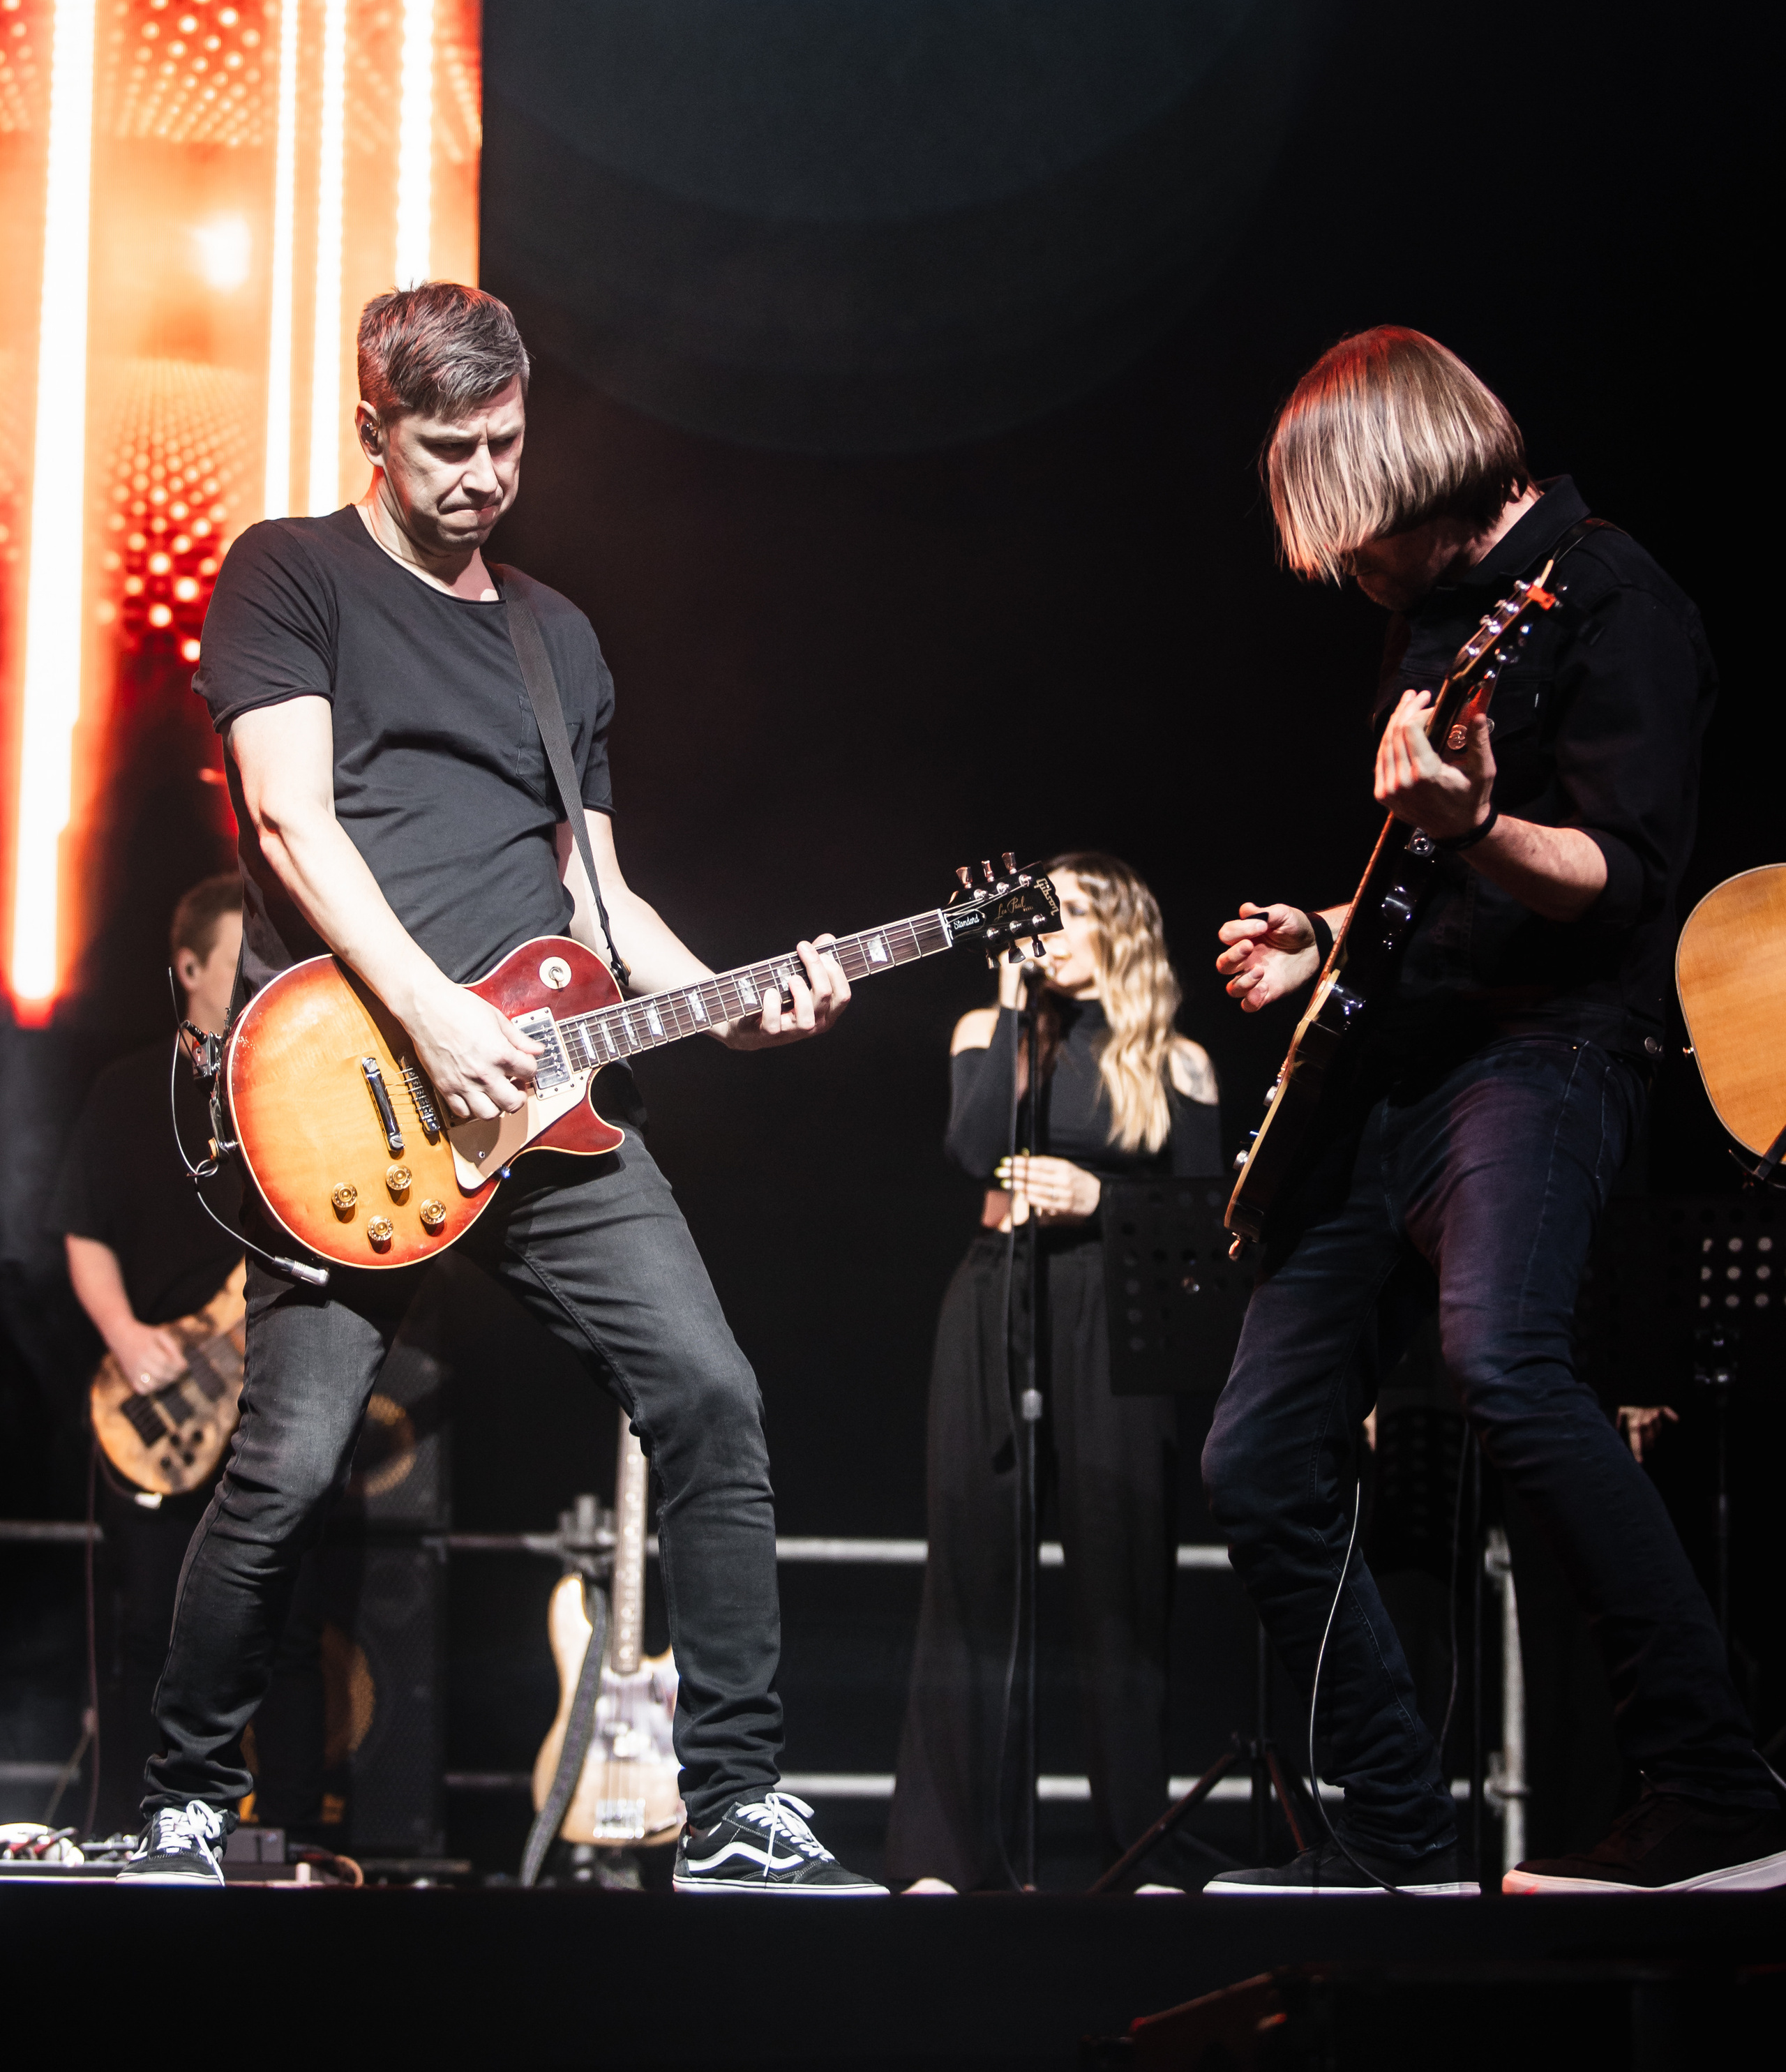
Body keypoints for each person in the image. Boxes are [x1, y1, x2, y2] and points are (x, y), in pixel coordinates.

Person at [117, 282, 883, 1893]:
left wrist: (728, 1004)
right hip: (351, 1088)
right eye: (446, 447)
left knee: (712, 1396)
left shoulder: (557, 638)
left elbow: (599, 895)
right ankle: (182, 1796)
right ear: (373, 428)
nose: (481, 476)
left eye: (506, 444)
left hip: (546, 1097)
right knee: (286, 1465)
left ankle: (735, 1800)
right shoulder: (289, 573)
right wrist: (429, 1011)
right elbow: (291, 824)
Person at [1202, 325, 1785, 1895]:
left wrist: (1471, 825)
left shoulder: (1615, 600)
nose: (1348, 574)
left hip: (1544, 1053)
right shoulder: (1440, 619)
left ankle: (1717, 1787)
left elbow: (1618, 877)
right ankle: (1395, 1834)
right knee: (1257, 1454)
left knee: (1508, 1369)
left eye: (1356, 536)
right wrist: (1324, 930)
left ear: (1418, 478)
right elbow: (1430, 880)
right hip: (1392, 1062)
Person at [886, 853, 1220, 1891]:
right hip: (996, 1293)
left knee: (1123, 1580)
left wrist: (1101, 1200)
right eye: (1039, 911)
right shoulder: (988, 1031)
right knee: (970, 1577)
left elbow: (1210, 1228)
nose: (1048, 928)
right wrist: (1007, 994)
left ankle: (1136, 1846)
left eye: (1071, 911)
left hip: (1115, 1309)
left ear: (1122, 927)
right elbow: (972, 1149)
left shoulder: (1176, 1060)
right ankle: (946, 1858)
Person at [55, 877, 322, 1838]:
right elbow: (82, 1230)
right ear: (190, 969)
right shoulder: (128, 1090)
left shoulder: (298, 1084)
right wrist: (128, 1337)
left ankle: (293, 1839)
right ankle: (136, 1829)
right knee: (148, 1631)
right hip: (162, 1406)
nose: (257, 975)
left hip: (276, 1387)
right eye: (240, 959)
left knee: (291, 1629)